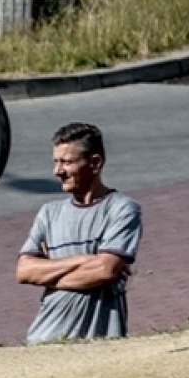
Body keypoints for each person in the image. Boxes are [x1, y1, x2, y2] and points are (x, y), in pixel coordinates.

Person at [17, 122, 143, 345]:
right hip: (43, 339)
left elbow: (104, 271)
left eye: (66, 162)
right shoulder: (49, 213)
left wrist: (48, 272)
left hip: (100, 343)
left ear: (95, 163)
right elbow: (24, 271)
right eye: (56, 162)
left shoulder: (122, 209)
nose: (57, 171)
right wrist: (86, 260)